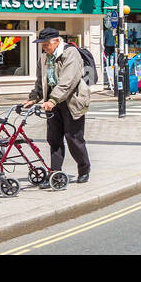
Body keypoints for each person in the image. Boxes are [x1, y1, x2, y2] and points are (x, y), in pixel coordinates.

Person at [25, 26, 92, 185]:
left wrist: (52, 100)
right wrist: (34, 98)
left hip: (71, 101)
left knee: (73, 138)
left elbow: (68, 82)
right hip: (52, 102)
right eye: (42, 44)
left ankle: (84, 169)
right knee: (53, 139)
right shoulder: (44, 57)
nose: (44, 47)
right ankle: (55, 173)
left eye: (46, 44)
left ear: (56, 41)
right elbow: (41, 81)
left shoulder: (70, 53)